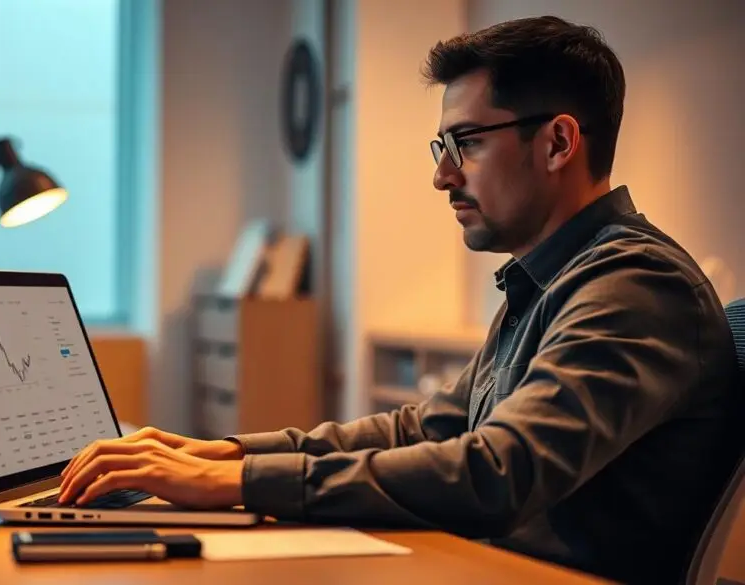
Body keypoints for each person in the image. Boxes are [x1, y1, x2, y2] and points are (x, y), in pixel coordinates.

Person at [57, 15, 744, 584]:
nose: (443, 175)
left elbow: (497, 471)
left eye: (468, 143)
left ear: (559, 141)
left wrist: (240, 484)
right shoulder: (549, 280)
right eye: (443, 146)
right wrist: (224, 456)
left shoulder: (635, 286)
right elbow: (428, 429)